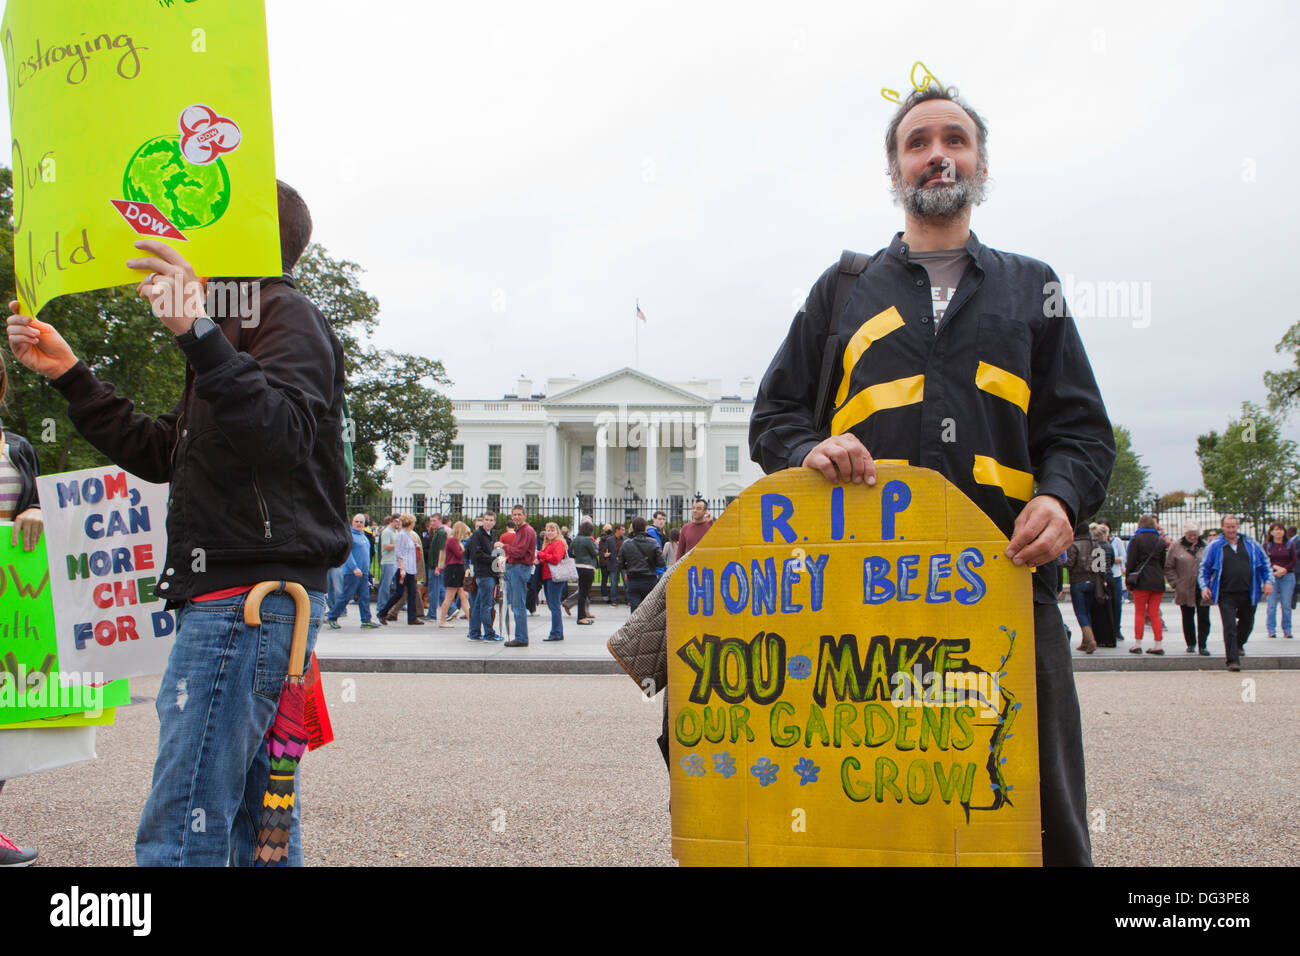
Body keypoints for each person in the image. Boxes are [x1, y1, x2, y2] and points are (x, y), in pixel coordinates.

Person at [748, 85, 1115, 866]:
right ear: (896, 169)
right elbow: (774, 417)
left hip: (1008, 587)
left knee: (1038, 814)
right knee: (871, 810)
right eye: (917, 142)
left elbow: (1080, 431)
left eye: (955, 138)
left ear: (979, 163)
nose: (937, 152)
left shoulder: (1031, 283)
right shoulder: (842, 289)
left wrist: (1060, 495)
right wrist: (808, 450)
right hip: (861, 601)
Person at [6, 181, 348, 866]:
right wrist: (72, 376)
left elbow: (282, 434)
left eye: (201, 223)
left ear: (243, 235)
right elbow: (165, 451)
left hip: (244, 605)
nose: (181, 238)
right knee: (264, 832)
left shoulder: (282, 314)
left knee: (182, 824)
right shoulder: (233, 329)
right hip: (251, 601)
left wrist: (196, 332)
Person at [0, 356, 48, 867]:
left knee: (3, 721)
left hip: (7, 605)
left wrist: (35, 509)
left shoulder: (18, 448)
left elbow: (37, 507)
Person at [1199, 515, 1272, 672]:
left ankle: (1239, 644)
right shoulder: (1215, 546)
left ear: (1237, 527)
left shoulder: (1251, 544)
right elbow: (1205, 568)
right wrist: (1204, 586)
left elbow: (1265, 563)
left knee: (1247, 622)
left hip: (1248, 591)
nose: (1231, 530)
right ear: (1222, 527)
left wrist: (1268, 581)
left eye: (1233, 527)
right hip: (1226, 593)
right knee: (1229, 626)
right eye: (1228, 527)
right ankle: (1232, 660)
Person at [326, 514, 382, 629]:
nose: (359, 524)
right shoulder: (350, 536)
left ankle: (366, 620)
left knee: (365, 597)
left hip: (364, 573)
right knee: (346, 596)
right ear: (352, 522)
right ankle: (332, 617)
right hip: (353, 572)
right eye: (356, 521)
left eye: (361, 522)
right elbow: (348, 555)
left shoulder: (363, 536)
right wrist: (354, 568)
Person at [1124, 515, 1167, 654]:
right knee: (1154, 612)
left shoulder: (1136, 539)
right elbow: (1162, 562)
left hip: (1141, 580)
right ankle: (1158, 644)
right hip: (1158, 580)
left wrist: (1128, 581)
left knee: (1140, 612)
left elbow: (1131, 561)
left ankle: (1137, 643)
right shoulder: (1160, 540)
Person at [1165, 522, 1210, 655]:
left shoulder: (1205, 547)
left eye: (1195, 535)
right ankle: (1190, 643)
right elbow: (1169, 567)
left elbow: (1211, 565)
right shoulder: (1176, 546)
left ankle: (1203, 645)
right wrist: (1176, 583)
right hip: (1184, 587)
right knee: (1187, 616)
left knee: (1204, 617)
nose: (1192, 537)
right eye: (1190, 535)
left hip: (1202, 587)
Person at [379, 514, 424, 625]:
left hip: (410, 568)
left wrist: (415, 546)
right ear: (410, 523)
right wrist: (402, 568)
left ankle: (412, 618)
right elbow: (399, 552)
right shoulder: (402, 535)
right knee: (399, 593)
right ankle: (383, 612)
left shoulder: (407, 535)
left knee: (412, 592)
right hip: (403, 568)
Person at [1063, 522, 1101, 653]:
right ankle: (1085, 641)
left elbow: (1069, 563)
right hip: (1093, 582)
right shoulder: (1095, 544)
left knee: (1080, 612)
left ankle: (1090, 640)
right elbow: (1100, 565)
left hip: (1077, 581)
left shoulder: (1073, 545)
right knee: (1087, 611)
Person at [464, 512, 502, 641]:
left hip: (489, 573)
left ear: (494, 522)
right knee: (486, 605)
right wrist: (495, 559)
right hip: (484, 573)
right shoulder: (478, 535)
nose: (488, 522)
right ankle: (489, 633)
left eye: (491, 520)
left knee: (479, 605)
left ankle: (474, 632)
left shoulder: (490, 535)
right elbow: (476, 555)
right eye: (486, 520)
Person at [503, 505, 537, 646]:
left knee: (518, 605)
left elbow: (519, 552)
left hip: (519, 568)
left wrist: (504, 546)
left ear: (524, 515)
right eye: (514, 514)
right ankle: (520, 636)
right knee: (516, 604)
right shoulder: (522, 531)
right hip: (517, 568)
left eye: (519, 514)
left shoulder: (526, 531)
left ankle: (521, 637)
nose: (516, 517)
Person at [618, 516, 666, 611]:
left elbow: (620, 564)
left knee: (635, 610)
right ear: (645, 528)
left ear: (633, 529)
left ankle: (635, 625)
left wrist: (629, 567)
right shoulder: (653, 542)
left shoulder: (626, 544)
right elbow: (661, 563)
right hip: (649, 579)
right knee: (649, 610)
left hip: (633, 580)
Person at [1262, 521, 1295, 639]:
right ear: (1271, 532)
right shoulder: (1267, 545)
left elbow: (1294, 560)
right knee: (1271, 604)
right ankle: (1271, 629)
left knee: (1286, 604)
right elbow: (1264, 560)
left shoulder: (1289, 544)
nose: (1278, 531)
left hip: (1287, 576)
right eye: (1276, 529)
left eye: (1281, 529)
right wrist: (1277, 568)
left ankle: (1287, 629)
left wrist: (1285, 569)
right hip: (1272, 576)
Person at [536, 522, 568, 641]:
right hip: (548, 577)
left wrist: (541, 554)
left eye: (552, 530)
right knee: (552, 605)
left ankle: (556, 633)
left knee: (554, 605)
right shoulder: (549, 544)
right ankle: (557, 631)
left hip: (554, 577)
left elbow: (555, 559)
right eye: (548, 530)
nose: (549, 532)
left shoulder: (558, 543)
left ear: (557, 532)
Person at [437, 521, 471, 627]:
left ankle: (471, 620)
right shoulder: (452, 541)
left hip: (457, 569)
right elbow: (459, 555)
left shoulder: (455, 541)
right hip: (453, 569)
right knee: (450, 596)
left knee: (463, 595)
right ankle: (443, 621)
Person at [566, 520, 599, 624]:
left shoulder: (575, 539)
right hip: (587, 567)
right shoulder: (588, 540)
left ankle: (583, 616)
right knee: (584, 593)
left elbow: (570, 553)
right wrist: (596, 546)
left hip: (578, 567)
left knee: (581, 592)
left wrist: (577, 557)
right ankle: (581, 617)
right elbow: (595, 553)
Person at [1099, 519, 1126, 641]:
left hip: (1115, 575)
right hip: (1102, 576)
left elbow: (1123, 556)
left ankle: (1117, 629)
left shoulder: (1117, 541)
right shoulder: (1097, 543)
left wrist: (1112, 559)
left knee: (1116, 603)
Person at [424, 514, 448, 622]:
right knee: (438, 590)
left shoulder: (441, 533)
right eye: (431, 521)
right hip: (433, 565)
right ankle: (451, 609)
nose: (432, 523)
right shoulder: (437, 532)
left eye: (434, 521)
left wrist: (438, 567)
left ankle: (432, 613)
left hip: (435, 566)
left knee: (434, 591)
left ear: (440, 521)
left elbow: (442, 551)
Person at [377, 514, 401, 613]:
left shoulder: (395, 531)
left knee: (394, 584)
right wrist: (398, 545)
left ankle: (388, 604)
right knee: (385, 585)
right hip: (388, 561)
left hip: (394, 561)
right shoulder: (387, 532)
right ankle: (382, 605)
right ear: (392, 521)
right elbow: (385, 546)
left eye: (399, 521)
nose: (398, 523)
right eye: (397, 521)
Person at [603, 524, 625, 606]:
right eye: (622, 529)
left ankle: (628, 600)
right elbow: (604, 551)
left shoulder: (626, 539)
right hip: (613, 564)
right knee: (613, 583)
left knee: (627, 583)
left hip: (624, 564)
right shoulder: (609, 540)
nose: (624, 531)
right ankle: (614, 600)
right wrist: (605, 554)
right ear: (617, 530)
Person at [647, 510, 668, 577]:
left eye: (663, 519)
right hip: (655, 571)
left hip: (658, 569)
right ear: (654, 519)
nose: (662, 521)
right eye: (659, 519)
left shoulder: (658, 532)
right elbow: (655, 553)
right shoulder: (651, 532)